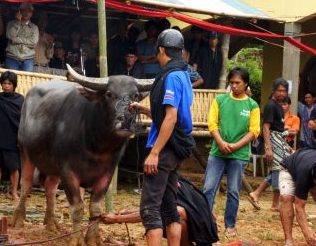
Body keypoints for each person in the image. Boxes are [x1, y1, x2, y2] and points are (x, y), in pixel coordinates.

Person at [130, 29, 194, 245]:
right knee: (169, 208)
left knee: (149, 209)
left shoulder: (172, 77)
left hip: (165, 149)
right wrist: (145, 110)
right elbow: (172, 113)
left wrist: (155, 152)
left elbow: (171, 118)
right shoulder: (184, 74)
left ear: (161, 50)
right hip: (175, 149)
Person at [202, 67, 260, 238]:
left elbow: (254, 130)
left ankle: (230, 225)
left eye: (238, 83)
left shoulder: (252, 105)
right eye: (232, 82)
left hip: (239, 154)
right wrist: (220, 142)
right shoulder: (220, 100)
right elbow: (212, 124)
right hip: (217, 152)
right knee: (208, 188)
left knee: (233, 191)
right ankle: (205, 222)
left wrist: (235, 146)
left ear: (246, 84)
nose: (234, 85)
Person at [102, 176, 218, 246]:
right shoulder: (172, 178)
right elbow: (152, 208)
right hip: (200, 224)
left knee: (170, 214)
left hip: (201, 232)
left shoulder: (165, 184)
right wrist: (125, 212)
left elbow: (152, 212)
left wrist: (117, 219)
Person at [249, 79, 290, 212]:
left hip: (279, 139)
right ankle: (274, 203)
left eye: (284, 91)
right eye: (279, 90)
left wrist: (285, 145)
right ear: (273, 90)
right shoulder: (271, 105)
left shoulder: (279, 105)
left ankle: (256, 193)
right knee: (278, 170)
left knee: (278, 170)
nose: (281, 93)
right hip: (273, 139)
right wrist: (268, 147)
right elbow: (266, 127)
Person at [0, 71, 24, 201]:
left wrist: (21, 138)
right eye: (4, 83)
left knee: (14, 167)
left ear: (14, 85)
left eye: (9, 83)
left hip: (13, 138)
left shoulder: (20, 100)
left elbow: (24, 121)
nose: (6, 86)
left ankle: (14, 193)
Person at [5, 2, 39, 72]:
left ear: (32, 13)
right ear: (20, 12)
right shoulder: (11, 23)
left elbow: (33, 42)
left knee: (26, 81)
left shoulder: (35, 28)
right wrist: (17, 22)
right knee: (11, 79)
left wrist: (16, 40)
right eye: (24, 10)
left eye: (29, 11)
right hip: (12, 57)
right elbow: (10, 36)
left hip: (28, 58)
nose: (26, 13)